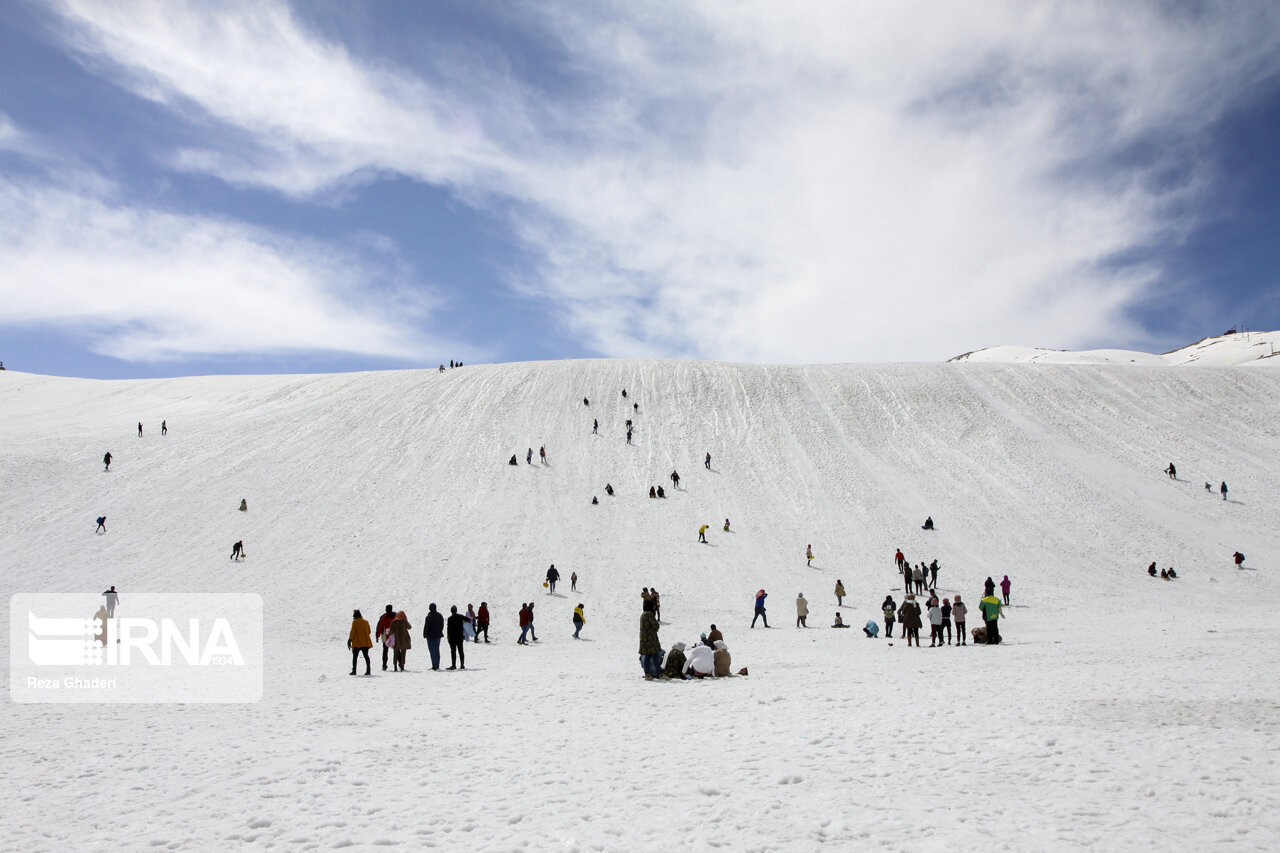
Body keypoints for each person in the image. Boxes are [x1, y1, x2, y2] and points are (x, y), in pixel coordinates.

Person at [639, 601, 662, 679]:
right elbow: (656, 626)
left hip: (644, 639)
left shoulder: (643, 615)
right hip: (651, 639)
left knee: (647, 657)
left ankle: (647, 674)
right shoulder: (650, 614)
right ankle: (660, 673)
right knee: (655, 655)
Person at [348, 610, 372, 675]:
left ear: (355, 617)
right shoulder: (366, 622)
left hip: (357, 642)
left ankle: (354, 671)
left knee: (355, 657)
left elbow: (352, 632)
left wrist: (350, 640)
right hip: (365, 642)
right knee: (366, 656)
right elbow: (369, 631)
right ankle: (368, 670)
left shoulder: (355, 622)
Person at [423, 604, 444, 669]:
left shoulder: (429, 617)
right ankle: (437, 664)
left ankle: (434, 665)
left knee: (432, 651)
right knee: (437, 650)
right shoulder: (440, 615)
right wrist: (440, 631)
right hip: (438, 635)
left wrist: (425, 634)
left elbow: (426, 626)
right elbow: (442, 625)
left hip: (430, 636)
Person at [376, 605, 396, 670]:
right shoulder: (395, 615)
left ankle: (384, 665)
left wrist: (377, 635)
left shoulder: (383, 617)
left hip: (385, 635)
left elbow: (379, 626)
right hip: (394, 634)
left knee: (385, 650)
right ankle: (398, 664)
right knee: (396, 650)